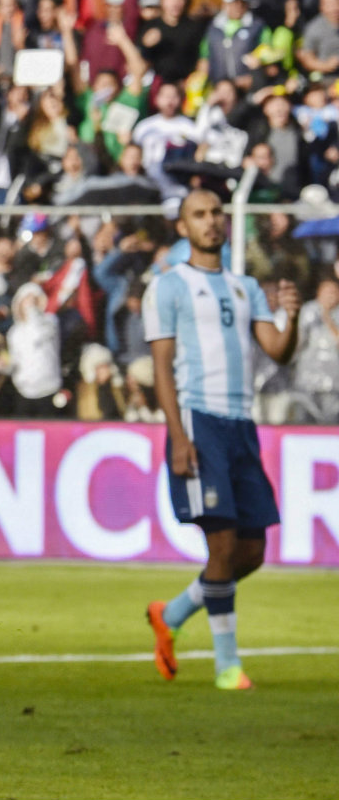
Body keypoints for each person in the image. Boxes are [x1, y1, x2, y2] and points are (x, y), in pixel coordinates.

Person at [142, 189, 300, 691]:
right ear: (182, 227)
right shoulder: (168, 287)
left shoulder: (245, 286)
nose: (211, 221)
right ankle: (227, 665)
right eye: (200, 215)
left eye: (216, 213)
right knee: (224, 543)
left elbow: (277, 349)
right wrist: (178, 436)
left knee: (251, 551)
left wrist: (290, 316)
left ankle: (170, 614)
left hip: (241, 424)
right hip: (200, 420)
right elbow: (162, 368)